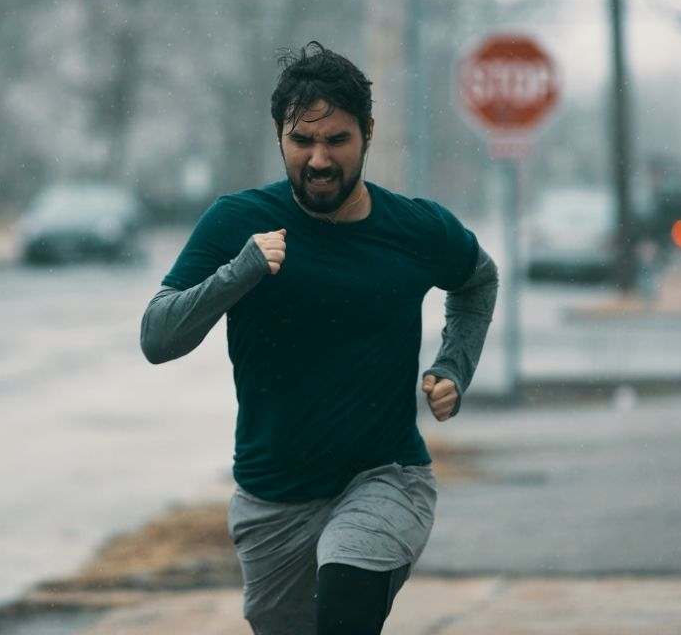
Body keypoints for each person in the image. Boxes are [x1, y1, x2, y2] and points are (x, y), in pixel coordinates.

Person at [139, 42, 498, 635]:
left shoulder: (413, 228)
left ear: (368, 133)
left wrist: (454, 366)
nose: (319, 159)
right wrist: (241, 271)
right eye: (302, 140)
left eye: (337, 140)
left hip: (385, 477)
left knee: (346, 599)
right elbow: (158, 336)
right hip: (272, 498)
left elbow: (478, 282)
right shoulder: (237, 222)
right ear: (280, 136)